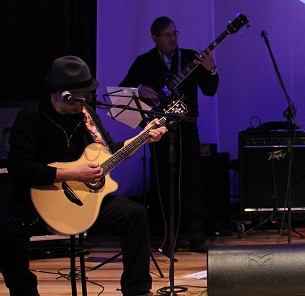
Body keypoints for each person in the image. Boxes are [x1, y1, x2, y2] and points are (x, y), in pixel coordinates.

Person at [0, 55, 167, 296]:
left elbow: (109, 152)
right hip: (36, 200)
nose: (86, 101)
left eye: (88, 95)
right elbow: (19, 167)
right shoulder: (31, 116)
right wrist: (71, 173)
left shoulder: (87, 115)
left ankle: (138, 290)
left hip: (83, 199)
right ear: (63, 94)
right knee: (7, 232)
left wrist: (142, 138)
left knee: (135, 214)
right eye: (81, 96)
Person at [119, 16, 219, 253]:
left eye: (175, 33)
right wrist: (139, 90)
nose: (173, 38)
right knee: (163, 183)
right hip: (158, 130)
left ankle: (196, 235)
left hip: (187, 127)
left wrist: (211, 69)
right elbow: (124, 89)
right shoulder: (144, 62)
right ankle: (168, 236)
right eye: (167, 35)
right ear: (154, 38)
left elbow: (210, 90)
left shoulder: (191, 58)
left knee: (192, 180)